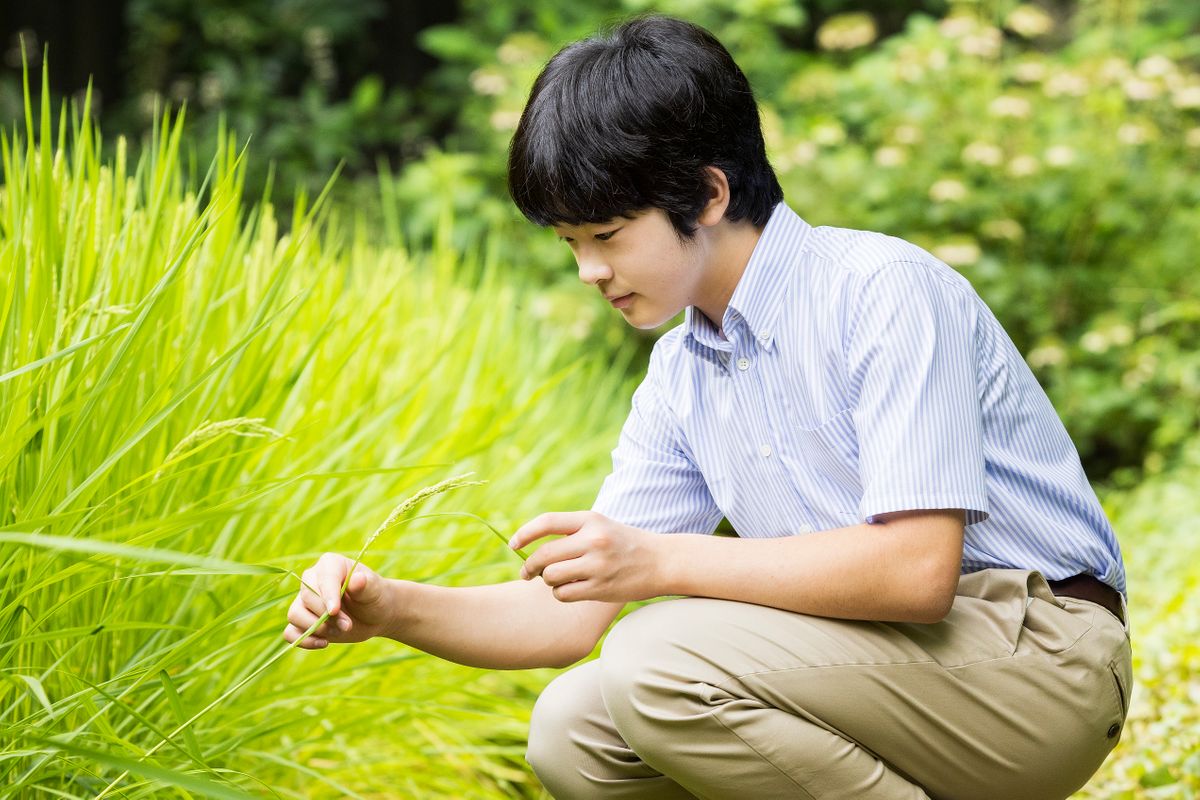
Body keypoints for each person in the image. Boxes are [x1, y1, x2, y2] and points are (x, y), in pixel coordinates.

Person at [283, 13, 1132, 800]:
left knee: (656, 658)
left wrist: (660, 563)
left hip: (1040, 659)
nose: (588, 271)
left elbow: (915, 572)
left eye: (607, 236)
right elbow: (564, 618)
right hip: (890, 667)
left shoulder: (882, 293)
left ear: (711, 195)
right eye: (570, 244)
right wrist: (389, 607)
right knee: (573, 732)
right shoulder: (683, 373)